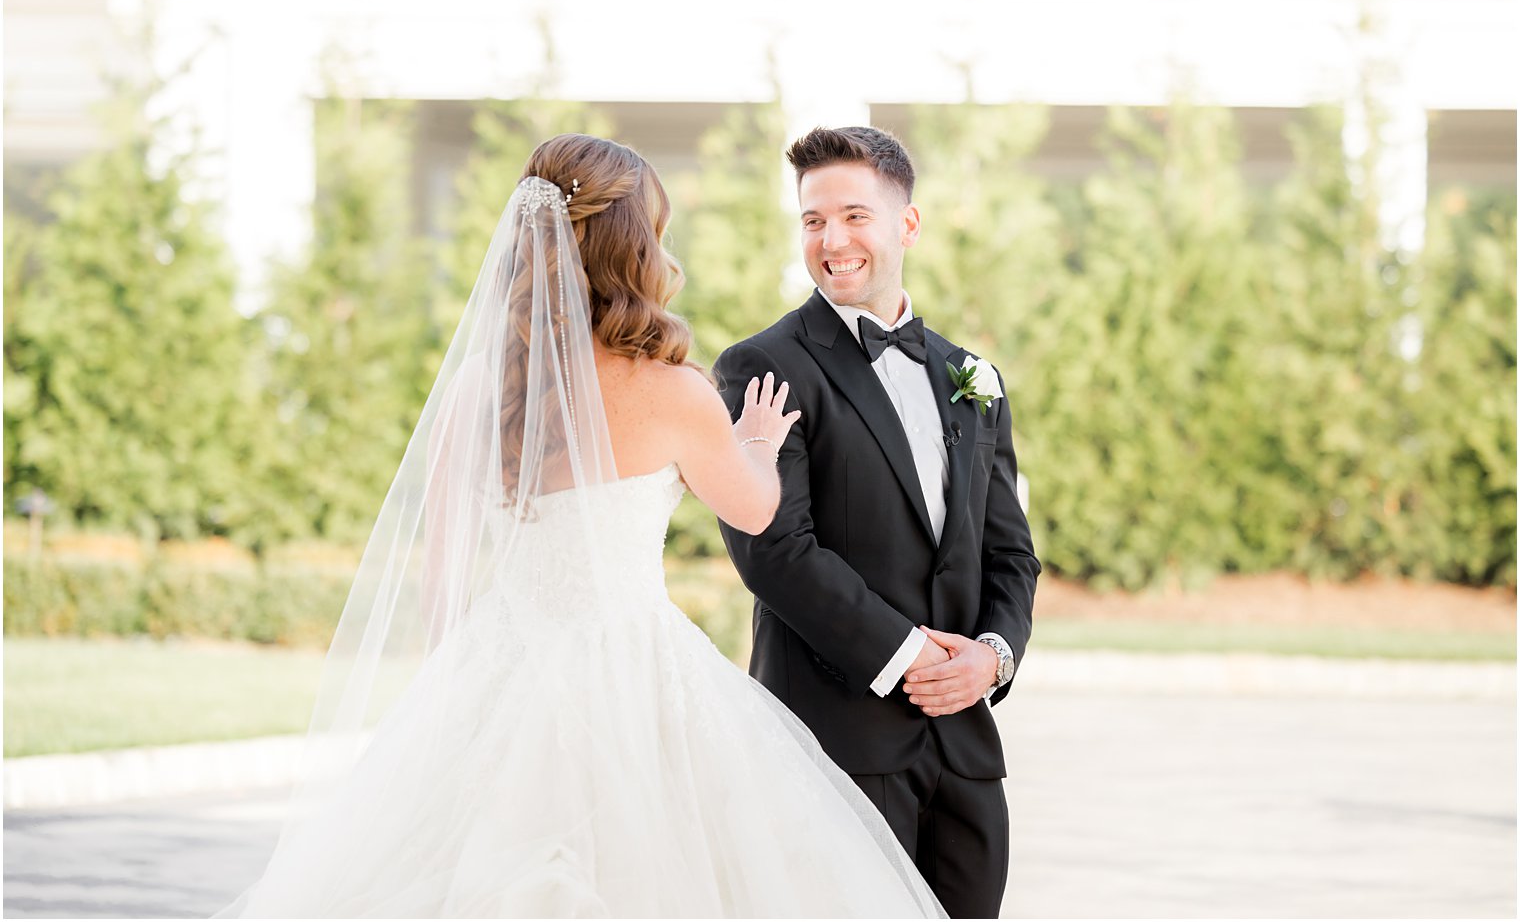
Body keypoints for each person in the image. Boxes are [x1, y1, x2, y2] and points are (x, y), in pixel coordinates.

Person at [218, 134, 943, 917]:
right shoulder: (673, 392)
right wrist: (759, 441)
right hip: (636, 671)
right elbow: (756, 508)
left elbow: (443, 571)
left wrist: (456, 696)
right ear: (636, 247)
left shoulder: (475, 390)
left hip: (498, 660)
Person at [715, 125, 1041, 919]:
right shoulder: (763, 365)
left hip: (963, 753)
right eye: (813, 220)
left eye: (855, 215)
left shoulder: (973, 378)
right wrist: (908, 655)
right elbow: (774, 550)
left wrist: (991, 658)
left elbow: (1011, 553)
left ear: (907, 224)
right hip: (837, 745)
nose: (832, 240)